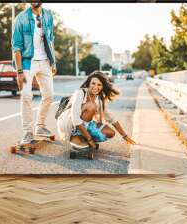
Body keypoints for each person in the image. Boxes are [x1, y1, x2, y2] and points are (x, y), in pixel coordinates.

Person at [12, 1, 56, 144]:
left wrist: (53, 61)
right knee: (26, 95)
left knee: (49, 95)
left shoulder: (48, 16)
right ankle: (27, 132)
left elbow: (51, 40)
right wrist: (19, 71)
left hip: (45, 61)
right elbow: (16, 47)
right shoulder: (21, 19)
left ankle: (40, 126)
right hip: (27, 62)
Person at [57, 71, 136, 149]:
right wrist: (90, 139)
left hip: (85, 124)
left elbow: (112, 119)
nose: (95, 87)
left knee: (110, 133)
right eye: (93, 83)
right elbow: (75, 118)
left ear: (102, 87)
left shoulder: (99, 99)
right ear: (89, 83)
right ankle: (76, 137)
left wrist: (125, 136)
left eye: (99, 85)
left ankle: (83, 136)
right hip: (71, 123)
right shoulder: (80, 93)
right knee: (91, 106)